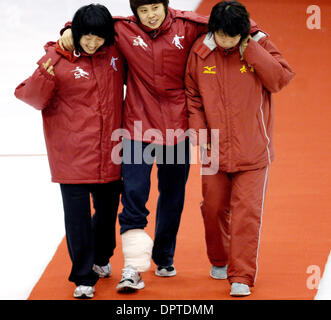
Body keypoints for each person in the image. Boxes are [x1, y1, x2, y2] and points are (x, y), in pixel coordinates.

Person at [59, 0, 208, 292]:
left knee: (173, 197)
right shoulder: (123, 29)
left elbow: (224, 21)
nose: (150, 15)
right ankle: (133, 268)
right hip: (138, 127)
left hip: (178, 128)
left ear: (166, 7)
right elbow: (95, 24)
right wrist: (66, 29)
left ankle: (163, 255)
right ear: (135, 13)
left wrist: (256, 33)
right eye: (143, 10)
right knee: (134, 196)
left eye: (155, 8)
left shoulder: (188, 25)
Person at [15, 4, 125, 299]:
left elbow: (124, 23)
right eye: (84, 36)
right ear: (75, 33)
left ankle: (102, 257)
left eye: (97, 37)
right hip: (71, 156)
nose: (91, 43)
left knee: (106, 214)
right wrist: (48, 71)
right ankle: (82, 276)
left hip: (110, 153)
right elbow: (31, 98)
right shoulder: (57, 56)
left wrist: (68, 26)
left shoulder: (115, 54)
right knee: (76, 220)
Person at [185, 0, 294, 296]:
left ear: (243, 33)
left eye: (233, 37)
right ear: (214, 30)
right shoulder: (200, 51)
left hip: (253, 150)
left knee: (247, 213)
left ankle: (242, 276)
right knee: (213, 208)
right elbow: (193, 96)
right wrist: (200, 134)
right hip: (213, 150)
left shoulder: (258, 44)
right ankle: (219, 259)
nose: (226, 42)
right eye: (221, 35)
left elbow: (280, 80)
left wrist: (253, 51)